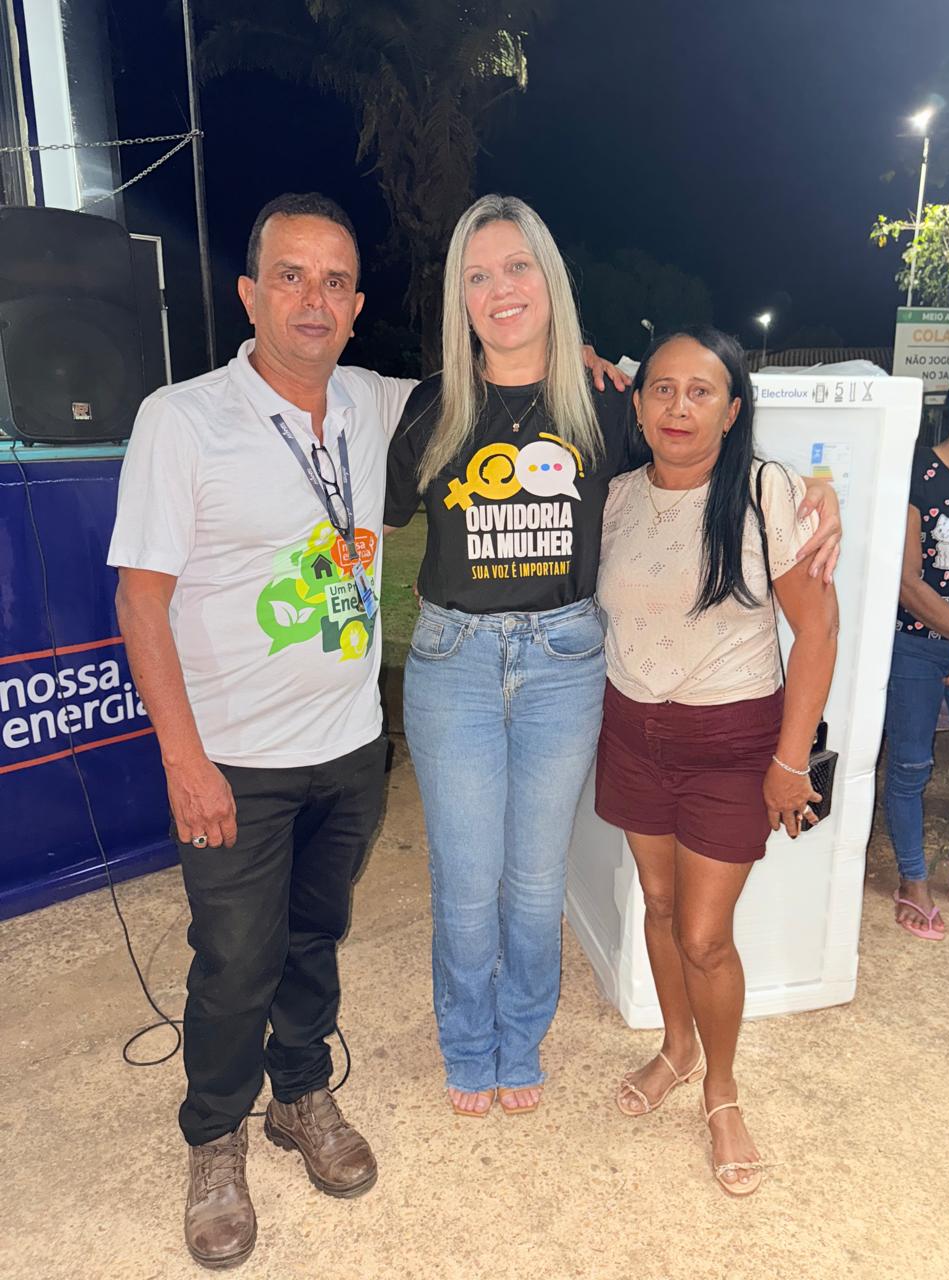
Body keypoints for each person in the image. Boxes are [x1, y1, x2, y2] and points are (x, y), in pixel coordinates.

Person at [383, 197, 842, 1120]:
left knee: (535, 879)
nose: (501, 289)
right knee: (465, 880)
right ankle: (469, 1045)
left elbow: (702, 441)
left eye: (518, 268)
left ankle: (523, 1040)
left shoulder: (603, 401)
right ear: (459, 296)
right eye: (478, 275)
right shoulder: (431, 404)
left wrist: (821, 487)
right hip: (454, 659)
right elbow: (377, 524)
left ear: (549, 281)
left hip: (563, 662)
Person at [109, 193, 418, 1269]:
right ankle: (212, 1136)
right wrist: (183, 761)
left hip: (349, 746)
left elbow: (503, 384)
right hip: (234, 760)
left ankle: (300, 1092)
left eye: (336, 281)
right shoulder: (182, 419)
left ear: (358, 305)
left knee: (312, 936)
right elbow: (140, 602)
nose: (313, 300)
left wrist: (610, 368)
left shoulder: (376, 402)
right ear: (249, 294)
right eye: (291, 275)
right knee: (236, 959)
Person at [595, 328, 838, 1197]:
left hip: (732, 745)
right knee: (658, 905)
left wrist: (790, 761)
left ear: (733, 411)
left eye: (701, 391)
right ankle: (676, 1047)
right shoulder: (616, 498)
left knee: (704, 935)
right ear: (638, 403)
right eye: (662, 388)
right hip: (632, 731)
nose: (679, 407)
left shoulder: (768, 492)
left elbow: (819, 630)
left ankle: (722, 1092)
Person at [883, 361, 949, 940]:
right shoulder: (918, 471)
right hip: (916, 645)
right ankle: (913, 880)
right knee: (910, 765)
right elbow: (907, 581)